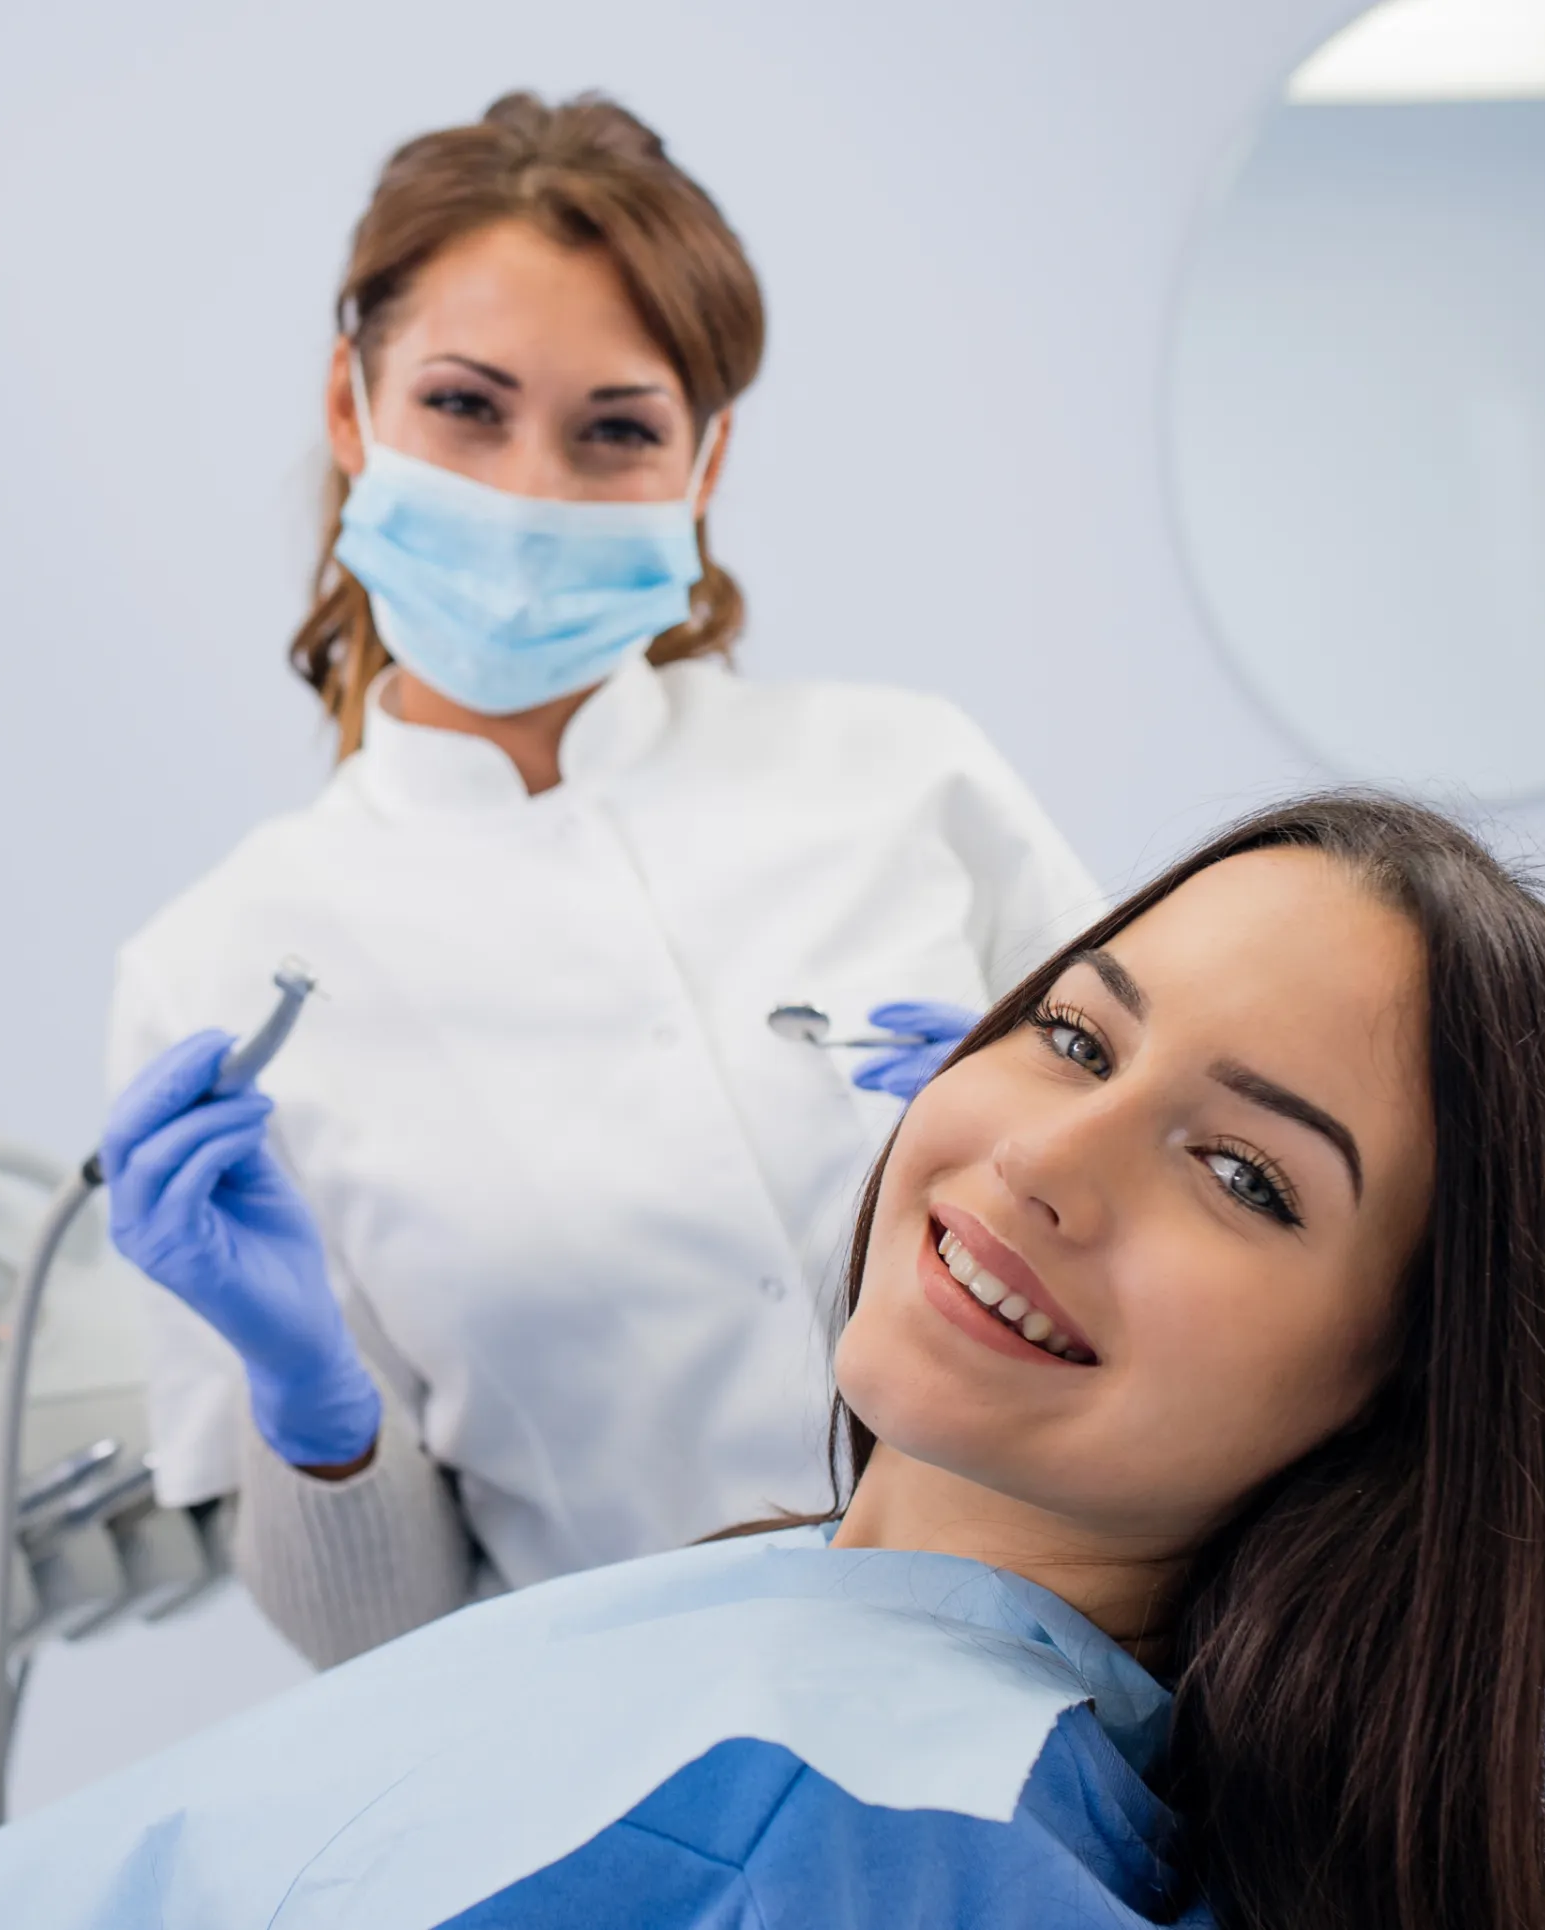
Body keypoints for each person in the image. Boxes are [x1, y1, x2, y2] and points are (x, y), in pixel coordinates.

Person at [0, 792, 1545, 1930]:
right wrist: (312, 1395)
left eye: (1242, 1172)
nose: (1044, 1158)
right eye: (1068, 1032)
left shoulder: (853, 1842)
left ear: (1399, 1393)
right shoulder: (811, 1633)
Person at [105, 90, 1099, 1668]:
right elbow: (384, 1645)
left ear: (705, 461)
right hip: (650, 1785)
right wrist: (309, 1398)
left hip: (1094, 1676)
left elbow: (1198, 1264)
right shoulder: (219, 971)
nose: (529, 493)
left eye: (616, 429)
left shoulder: (911, 781)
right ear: (354, 412)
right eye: (466, 407)